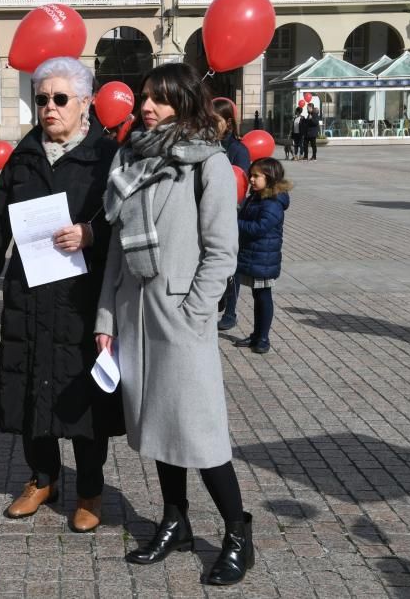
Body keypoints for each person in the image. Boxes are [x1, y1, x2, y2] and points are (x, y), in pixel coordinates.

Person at [95, 62, 253, 586]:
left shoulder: (207, 163)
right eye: (144, 97)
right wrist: (106, 316)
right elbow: (116, 250)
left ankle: (236, 531)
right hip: (134, 316)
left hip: (180, 318)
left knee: (200, 433)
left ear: (184, 103)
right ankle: (175, 519)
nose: (146, 106)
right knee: (158, 428)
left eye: (159, 99)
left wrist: (194, 312)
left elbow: (222, 252)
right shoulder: (130, 158)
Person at [0, 56, 124, 534]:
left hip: (83, 300)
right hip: (29, 298)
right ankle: (43, 479)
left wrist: (92, 235)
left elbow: (126, 224)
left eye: (59, 99)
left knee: (85, 401)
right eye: (41, 99)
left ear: (86, 102)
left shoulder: (107, 157)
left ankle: (90, 490)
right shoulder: (24, 155)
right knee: (32, 392)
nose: (48, 108)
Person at [232, 157, 292, 355]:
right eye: (251, 175)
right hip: (254, 255)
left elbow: (259, 228)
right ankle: (256, 334)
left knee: (263, 296)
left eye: (256, 176)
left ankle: (263, 338)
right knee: (258, 296)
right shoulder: (255, 197)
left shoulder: (273, 202)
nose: (251, 179)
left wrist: (232, 223)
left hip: (264, 258)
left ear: (270, 177)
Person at [213, 98, 250, 333]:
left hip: (232, 214)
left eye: (213, 121)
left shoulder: (238, 149)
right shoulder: (205, 146)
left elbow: (241, 181)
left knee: (232, 267)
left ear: (227, 122)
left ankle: (231, 311)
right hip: (208, 213)